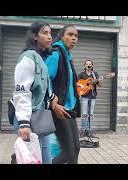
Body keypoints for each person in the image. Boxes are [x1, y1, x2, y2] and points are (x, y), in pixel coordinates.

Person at [11, 21, 57, 164]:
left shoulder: (39, 58)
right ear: (34, 36)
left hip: (39, 119)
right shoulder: (28, 58)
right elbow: (22, 91)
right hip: (30, 120)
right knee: (34, 159)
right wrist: (24, 123)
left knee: (41, 158)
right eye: (45, 33)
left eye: (50, 33)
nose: (49, 37)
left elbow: (41, 87)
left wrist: (52, 96)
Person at [45, 25, 81, 164]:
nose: (74, 38)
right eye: (70, 34)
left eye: (76, 36)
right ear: (61, 36)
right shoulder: (56, 54)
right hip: (59, 110)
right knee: (69, 153)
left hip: (69, 110)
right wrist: (53, 103)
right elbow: (45, 79)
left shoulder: (67, 56)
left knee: (75, 148)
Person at [77, 59, 101, 137]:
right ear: (85, 65)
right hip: (84, 96)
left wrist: (98, 80)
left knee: (91, 114)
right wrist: (81, 85)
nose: (88, 65)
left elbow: (99, 84)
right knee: (84, 114)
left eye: (90, 64)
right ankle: (83, 130)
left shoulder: (95, 74)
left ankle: (90, 131)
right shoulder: (81, 74)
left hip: (93, 96)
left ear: (92, 65)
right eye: (87, 64)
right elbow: (76, 82)